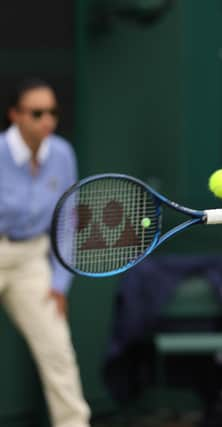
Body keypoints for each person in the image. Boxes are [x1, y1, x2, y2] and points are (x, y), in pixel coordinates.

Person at [0, 78, 91, 427]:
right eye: (37, 113)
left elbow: (68, 220)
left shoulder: (63, 154)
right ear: (15, 116)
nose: (47, 120)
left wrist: (59, 281)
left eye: (52, 112)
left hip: (30, 261)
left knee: (58, 352)